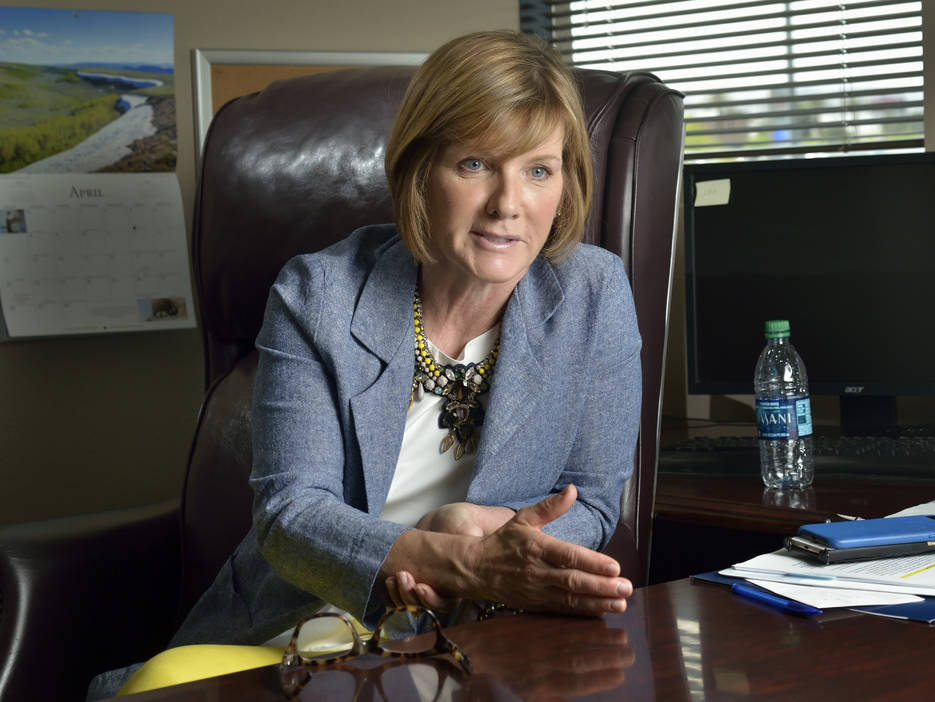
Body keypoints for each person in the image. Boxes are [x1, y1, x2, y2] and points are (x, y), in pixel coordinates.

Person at [87, 29, 641, 698]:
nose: (508, 203)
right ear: (419, 169)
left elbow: (596, 499)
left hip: (487, 640)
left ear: (566, 183)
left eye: (537, 170)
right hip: (293, 632)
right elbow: (290, 512)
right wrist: (440, 552)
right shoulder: (317, 294)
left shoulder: (593, 292)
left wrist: (478, 531)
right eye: (474, 164)